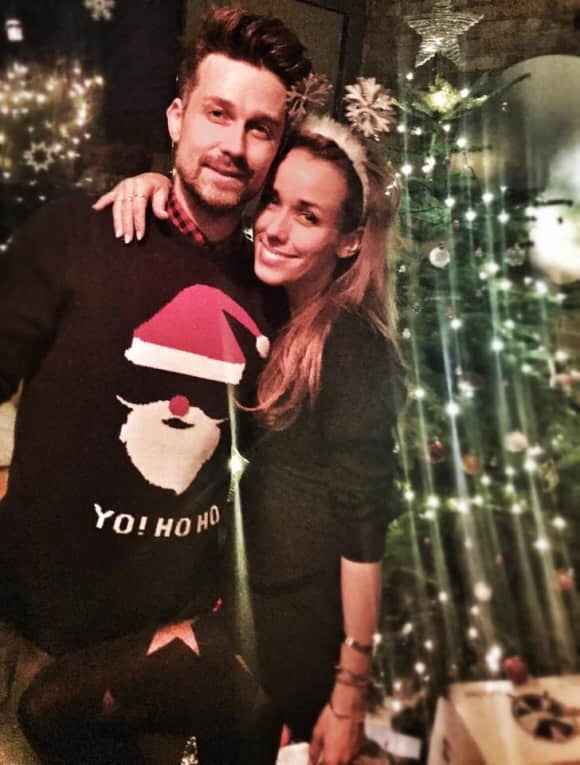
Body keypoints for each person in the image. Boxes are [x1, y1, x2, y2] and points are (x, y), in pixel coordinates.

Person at [0, 7, 312, 765]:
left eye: (261, 128)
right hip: (33, 646)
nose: (234, 145)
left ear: (277, 150)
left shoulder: (277, 292)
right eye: (217, 113)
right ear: (177, 118)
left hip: (166, 667)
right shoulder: (77, 235)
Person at [97, 112, 405, 765]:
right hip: (241, 605)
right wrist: (155, 186)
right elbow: (202, 236)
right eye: (274, 201)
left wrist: (349, 694)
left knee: (51, 708)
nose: (275, 226)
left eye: (308, 216)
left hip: (281, 638)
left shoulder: (351, 345)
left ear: (349, 241)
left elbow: (365, 528)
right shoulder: (276, 307)